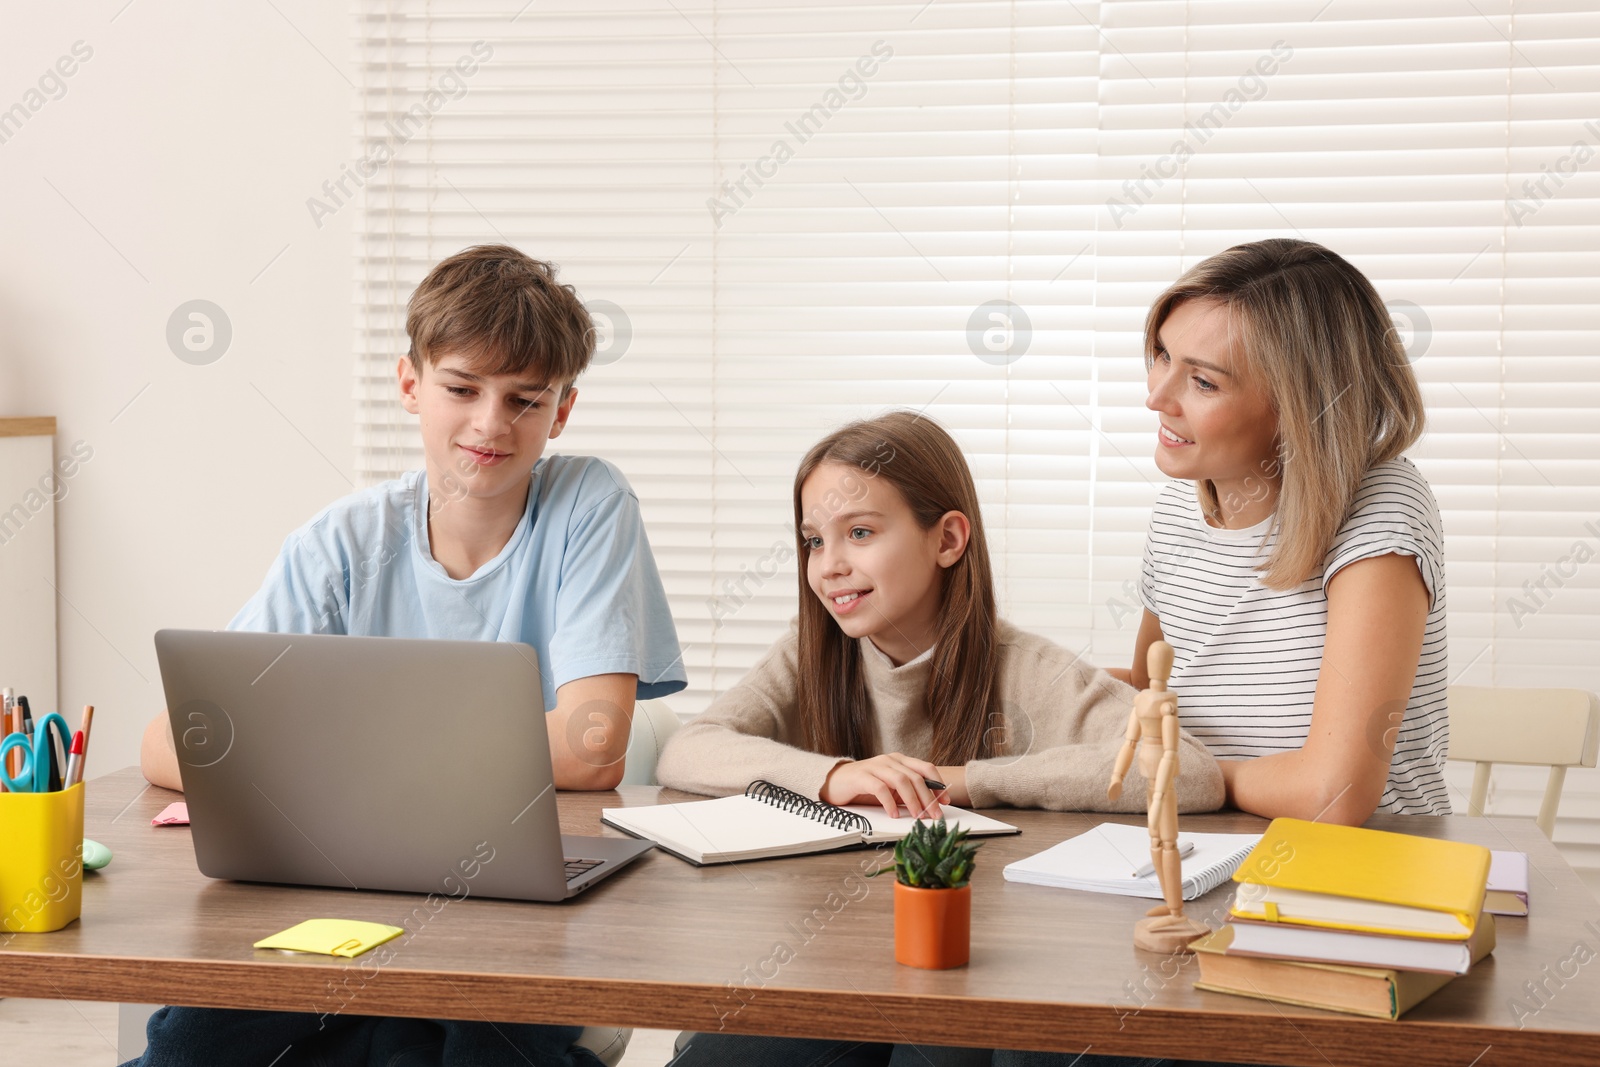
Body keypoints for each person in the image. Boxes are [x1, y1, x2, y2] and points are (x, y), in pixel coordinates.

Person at [129, 244, 687, 1067]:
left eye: (524, 400)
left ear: (560, 412)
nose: (491, 423)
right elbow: (172, 738)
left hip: (514, 906)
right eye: (461, 388)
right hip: (335, 893)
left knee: (432, 1051)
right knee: (187, 1050)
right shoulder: (343, 540)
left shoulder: (588, 505)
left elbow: (594, 741)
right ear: (409, 385)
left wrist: (316, 760)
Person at [993, 238, 1449, 1067]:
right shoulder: (1184, 505)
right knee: (977, 1022)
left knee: (1043, 1050)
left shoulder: (1379, 513)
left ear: (1304, 404)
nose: (1155, 396)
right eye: (1162, 357)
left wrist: (1193, 779)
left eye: (1202, 381)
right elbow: (1154, 693)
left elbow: (1334, 790)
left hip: (1345, 889)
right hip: (1203, 861)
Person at [657, 410, 1223, 1067]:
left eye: (860, 532)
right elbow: (688, 746)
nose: (830, 566)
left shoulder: (1028, 667)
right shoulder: (811, 652)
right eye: (814, 541)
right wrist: (836, 774)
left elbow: (1191, 773)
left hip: (992, 960)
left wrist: (965, 779)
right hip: (842, 950)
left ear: (948, 538)